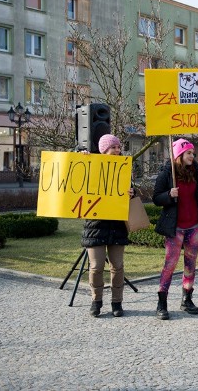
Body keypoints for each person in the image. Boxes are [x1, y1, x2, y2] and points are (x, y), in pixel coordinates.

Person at [153, 138, 198, 320]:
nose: (192, 156)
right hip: (175, 228)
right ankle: (162, 302)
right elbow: (156, 198)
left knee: (190, 265)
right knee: (170, 265)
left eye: (193, 153)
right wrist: (169, 195)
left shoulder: (196, 172)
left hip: (194, 226)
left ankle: (187, 298)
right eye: (189, 153)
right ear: (179, 154)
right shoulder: (167, 172)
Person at [81, 134, 134, 318]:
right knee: (95, 267)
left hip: (117, 226)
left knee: (117, 266)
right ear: (104, 150)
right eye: (114, 148)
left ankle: (117, 302)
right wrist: (82, 157)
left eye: (119, 147)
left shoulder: (124, 170)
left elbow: (131, 197)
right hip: (95, 226)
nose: (118, 151)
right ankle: (96, 301)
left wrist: (131, 193)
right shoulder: (91, 167)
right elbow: (76, 179)